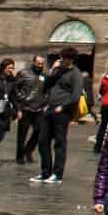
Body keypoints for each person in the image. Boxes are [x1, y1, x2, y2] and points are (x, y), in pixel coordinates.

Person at [32, 47, 86, 185]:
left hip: (62, 112)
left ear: (71, 60)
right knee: (42, 141)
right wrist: (52, 70)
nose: (62, 60)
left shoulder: (76, 74)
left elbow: (76, 94)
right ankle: (45, 172)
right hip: (49, 109)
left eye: (65, 58)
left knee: (59, 143)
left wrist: (63, 107)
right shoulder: (58, 71)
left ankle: (57, 174)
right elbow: (45, 86)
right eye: (61, 58)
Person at [13, 54, 46, 162]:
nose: (40, 66)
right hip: (25, 108)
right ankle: (20, 156)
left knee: (40, 131)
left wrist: (45, 103)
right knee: (22, 134)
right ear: (34, 62)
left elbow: (47, 91)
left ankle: (29, 149)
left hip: (39, 108)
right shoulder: (23, 73)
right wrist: (18, 107)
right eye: (39, 63)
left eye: (42, 64)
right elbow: (15, 89)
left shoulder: (44, 76)